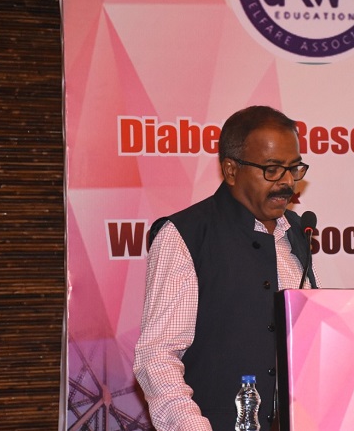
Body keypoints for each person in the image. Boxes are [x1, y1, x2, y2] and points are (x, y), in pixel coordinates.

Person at [133, 105, 320, 431]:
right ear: (231, 170)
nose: (288, 182)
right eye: (272, 170)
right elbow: (157, 357)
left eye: (294, 168)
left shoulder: (295, 234)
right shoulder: (185, 236)